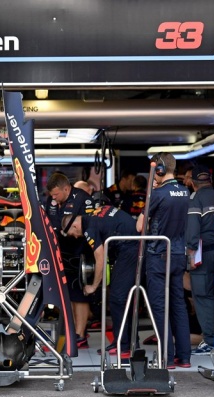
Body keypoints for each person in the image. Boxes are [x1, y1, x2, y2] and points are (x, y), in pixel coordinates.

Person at [136, 152, 191, 369]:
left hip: (158, 254)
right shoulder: (185, 191)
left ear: (158, 169)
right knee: (178, 305)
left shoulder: (157, 194)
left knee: (159, 307)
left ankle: (166, 357)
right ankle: (184, 357)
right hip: (178, 254)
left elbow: (140, 226)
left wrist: (150, 195)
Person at [62, 205, 139, 358]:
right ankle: (130, 342)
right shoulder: (95, 213)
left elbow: (100, 258)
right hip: (133, 243)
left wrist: (93, 286)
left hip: (129, 248)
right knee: (125, 298)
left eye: (72, 234)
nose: (76, 237)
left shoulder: (89, 229)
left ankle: (123, 345)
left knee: (117, 298)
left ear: (75, 225)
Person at [45, 173, 95, 348]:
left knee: (79, 295)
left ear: (66, 189)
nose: (53, 198)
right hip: (60, 254)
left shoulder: (83, 199)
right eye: (52, 195)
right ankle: (73, 331)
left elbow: (90, 226)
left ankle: (81, 334)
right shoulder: (51, 200)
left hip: (80, 253)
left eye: (56, 194)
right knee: (68, 295)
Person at [186, 165, 214, 356]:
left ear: (193, 183)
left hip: (203, 254)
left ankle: (210, 341)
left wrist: (191, 254)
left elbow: (192, 229)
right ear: (211, 180)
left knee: (202, 296)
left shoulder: (195, 200)